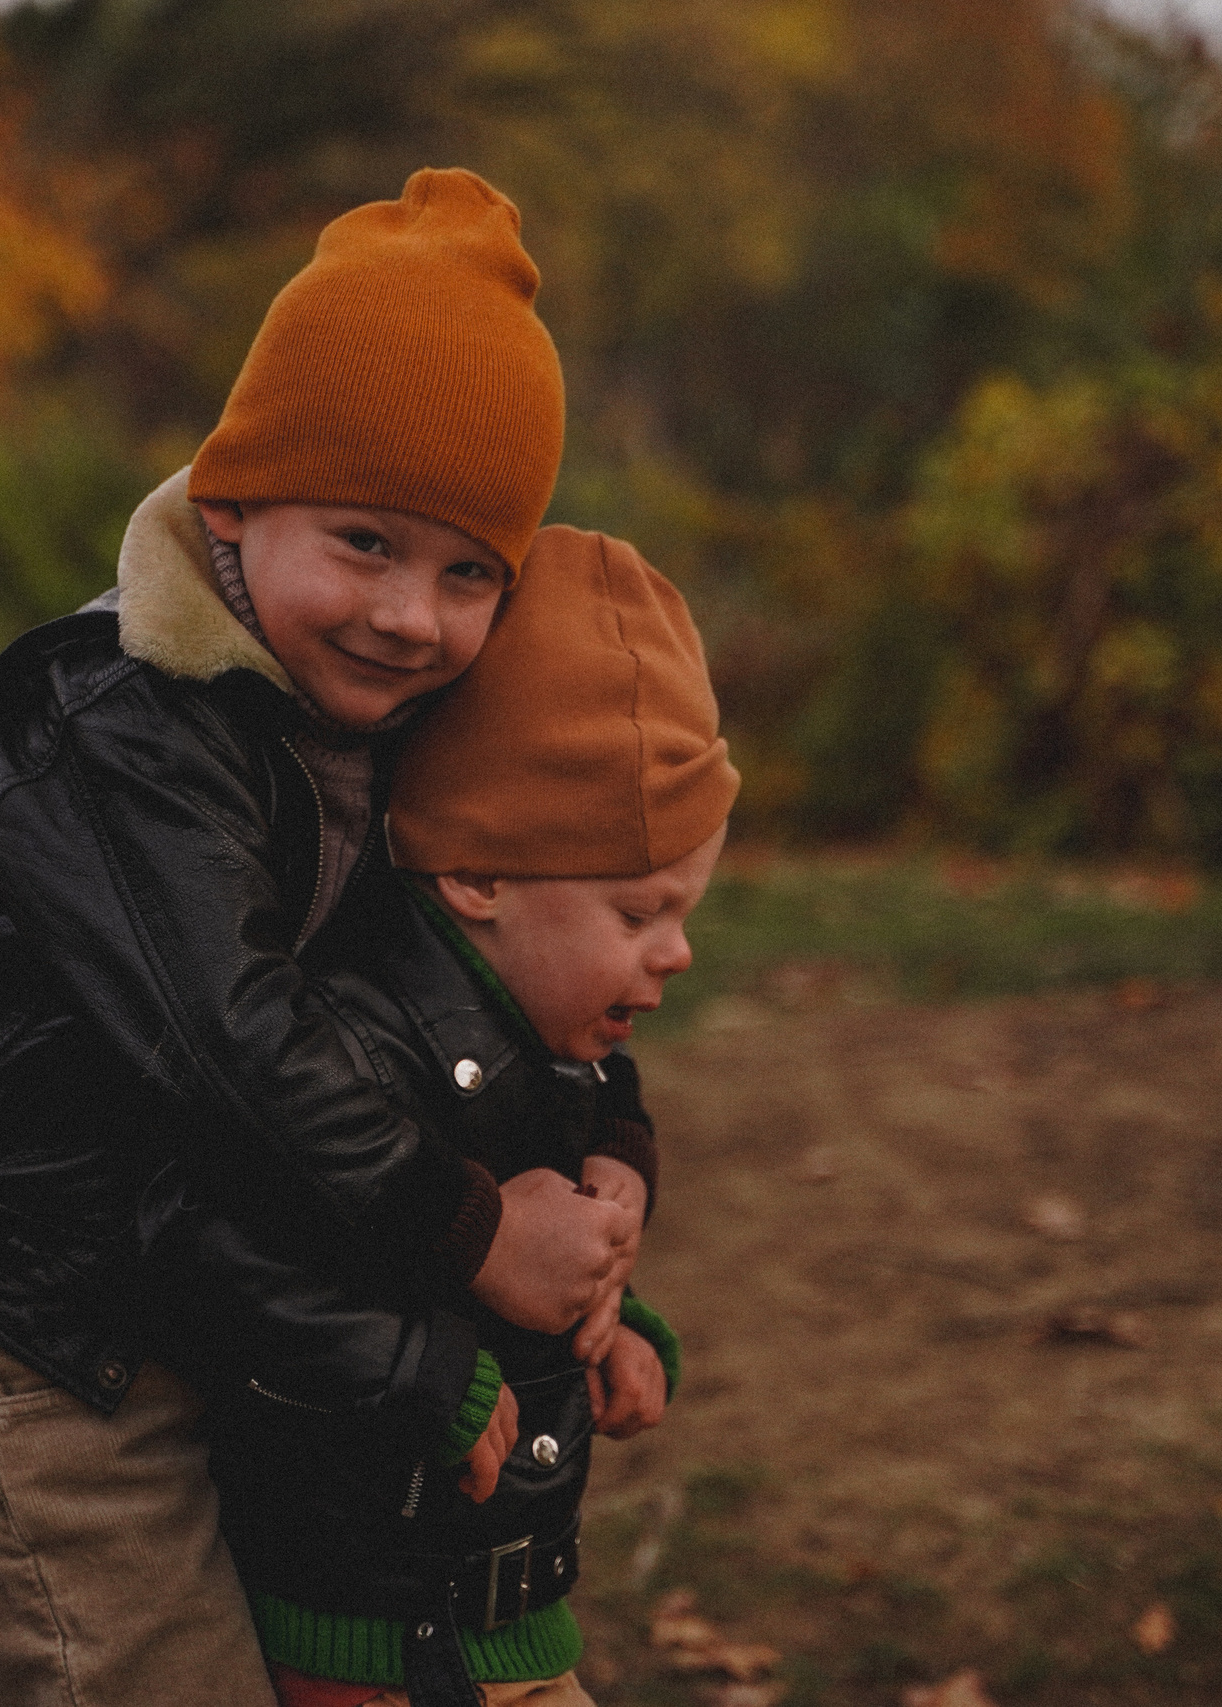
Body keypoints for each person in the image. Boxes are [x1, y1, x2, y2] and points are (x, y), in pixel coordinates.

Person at [0, 169, 637, 1707]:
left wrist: (612, 1145)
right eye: (365, 542)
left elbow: (475, 972)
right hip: (35, 1320)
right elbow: (232, 1037)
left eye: (468, 571)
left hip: (221, 1277)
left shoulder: (374, 714)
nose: (410, 613)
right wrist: (470, 1226)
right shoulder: (114, 721)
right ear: (232, 504)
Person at [176, 525, 735, 1707]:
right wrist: (420, 1373)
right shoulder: (359, 1057)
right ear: (479, 878)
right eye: (638, 915)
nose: (676, 952)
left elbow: (511, 1248)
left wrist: (600, 1318)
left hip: (496, 1615)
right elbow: (250, 1263)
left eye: (683, 914)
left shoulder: (541, 1042)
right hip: (368, 1632)